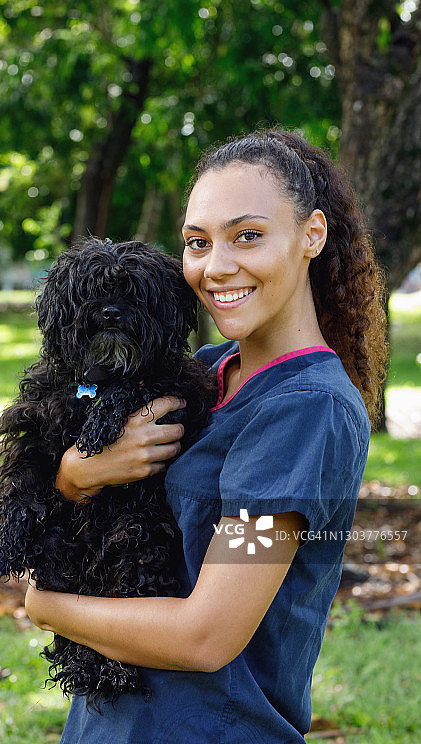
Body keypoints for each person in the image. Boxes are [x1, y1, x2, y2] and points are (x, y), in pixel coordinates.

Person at [25, 129, 388, 743]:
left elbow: (207, 635)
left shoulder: (306, 412)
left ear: (312, 236)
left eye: (248, 236)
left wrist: (44, 605)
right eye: (198, 242)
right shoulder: (205, 371)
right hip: (108, 723)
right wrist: (76, 474)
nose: (216, 267)